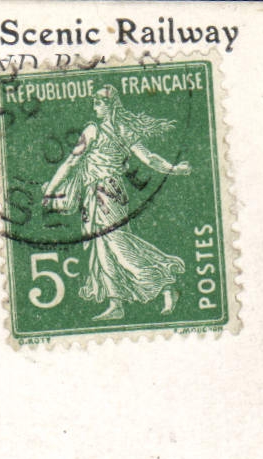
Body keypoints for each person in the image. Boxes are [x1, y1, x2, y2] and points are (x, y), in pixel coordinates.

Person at [42, 84, 192, 321]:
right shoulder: (111, 130)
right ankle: (116, 303)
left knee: (117, 244)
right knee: (103, 247)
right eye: (94, 102)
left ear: (112, 105)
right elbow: (72, 162)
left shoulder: (102, 131)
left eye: (100, 102)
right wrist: (50, 190)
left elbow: (148, 158)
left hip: (106, 194)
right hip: (98, 193)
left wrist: (174, 169)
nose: (95, 106)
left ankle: (164, 280)